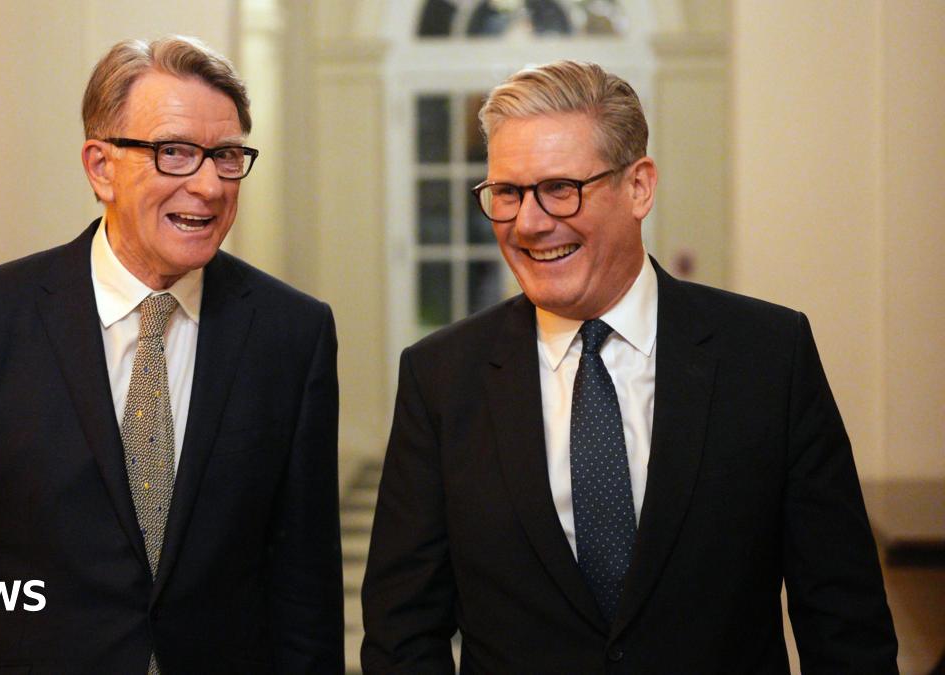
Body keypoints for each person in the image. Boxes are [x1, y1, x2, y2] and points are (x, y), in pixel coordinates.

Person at [361, 60, 897, 673]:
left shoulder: (768, 356)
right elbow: (403, 633)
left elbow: (845, 624)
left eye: (561, 187)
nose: (530, 223)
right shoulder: (441, 377)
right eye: (508, 194)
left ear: (639, 187)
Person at [0, 36, 343, 673]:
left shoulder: (291, 334)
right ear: (100, 167)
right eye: (176, 153)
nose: (210, 185)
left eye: (225, 156)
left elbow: (305, 587)